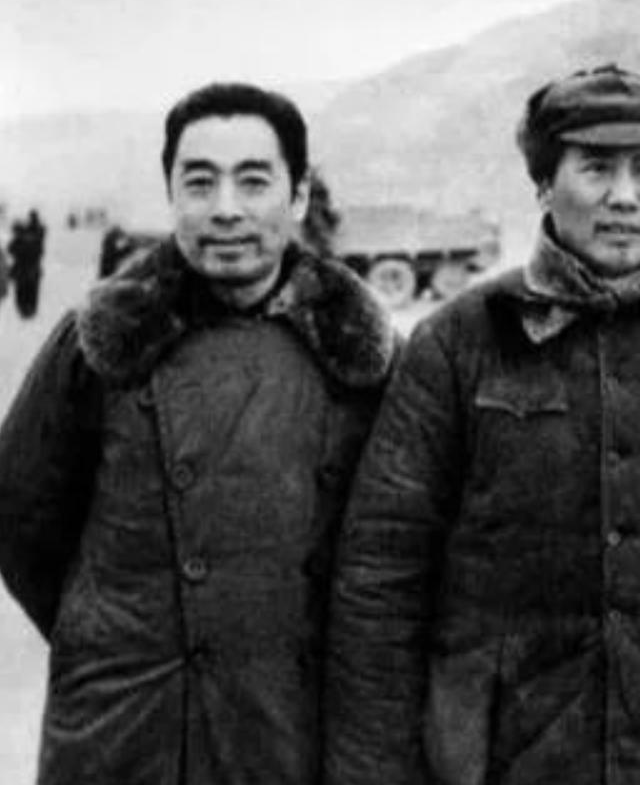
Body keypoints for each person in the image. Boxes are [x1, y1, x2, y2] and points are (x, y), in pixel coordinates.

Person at [325, 63, 640, 785]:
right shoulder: (455, 345)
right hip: (494, 761)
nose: (625, 197)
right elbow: (383, 570)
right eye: (596, 168)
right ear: (543, 183)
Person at [0, 82, 396, 784]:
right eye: (200, 182)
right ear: (171, 195)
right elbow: (18, 514)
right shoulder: (98, 343)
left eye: (254, 181)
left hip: (289, 724)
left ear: (299, 196)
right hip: (129, 727)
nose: (226, 209)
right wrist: (111, 632)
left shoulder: (363, 356)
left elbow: (396, 555)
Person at [9, 209, 45, 318]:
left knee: (23, 291)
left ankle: (25, 309)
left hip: (23, 272)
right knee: (31, 291)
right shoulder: (37, 234)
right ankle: (29, 309)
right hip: (31, 271)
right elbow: (39, 251)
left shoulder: (21, 239)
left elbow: (11, 250)